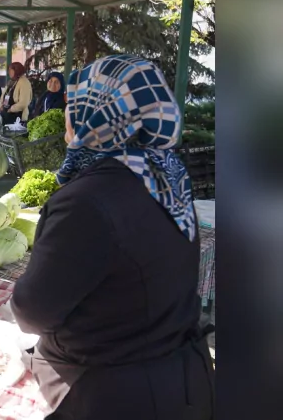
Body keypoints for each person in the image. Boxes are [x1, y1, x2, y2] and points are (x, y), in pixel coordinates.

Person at [11, 55, 214, 420]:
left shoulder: (87, 200)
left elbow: (32, 310)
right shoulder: (165, 173)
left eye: (76, 105)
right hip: (181, 382)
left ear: (97, 114)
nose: (69, 115)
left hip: (115, 394)